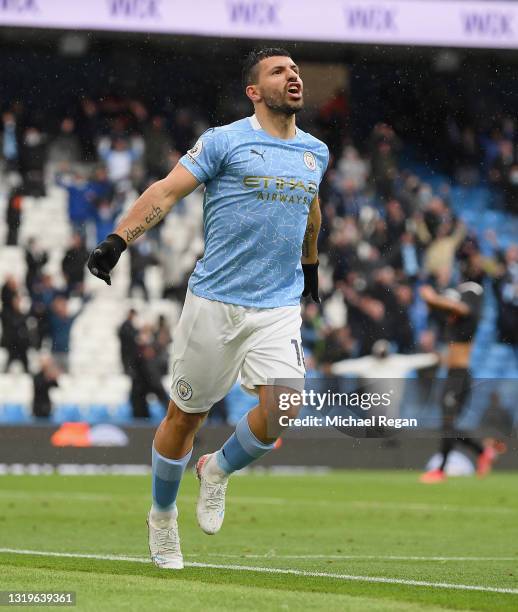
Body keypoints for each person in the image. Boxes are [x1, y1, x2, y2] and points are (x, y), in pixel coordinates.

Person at [87, 48, 328, 570]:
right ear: (254, 91)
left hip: (278, 305)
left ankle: (216, 470)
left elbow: (311, 208)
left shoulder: (315, 151)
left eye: (295, 70)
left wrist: (310, 268)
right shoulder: (225, 140)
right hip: (215, 302)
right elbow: (168, 190)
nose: (293, 76)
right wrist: (117, 240)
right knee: (184, 417)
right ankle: (162, 516)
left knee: (284, 408)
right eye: (278, 71)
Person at [419, 280, 498, 483]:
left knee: (447, 424)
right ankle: (483, 451)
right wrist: (430, 298)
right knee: (448, 425)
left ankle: (441, 470)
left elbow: (458, 307)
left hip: (460, 377)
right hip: (452, 375)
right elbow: (441, 307)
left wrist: (432, 297)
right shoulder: (453, 320)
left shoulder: (469, 317)